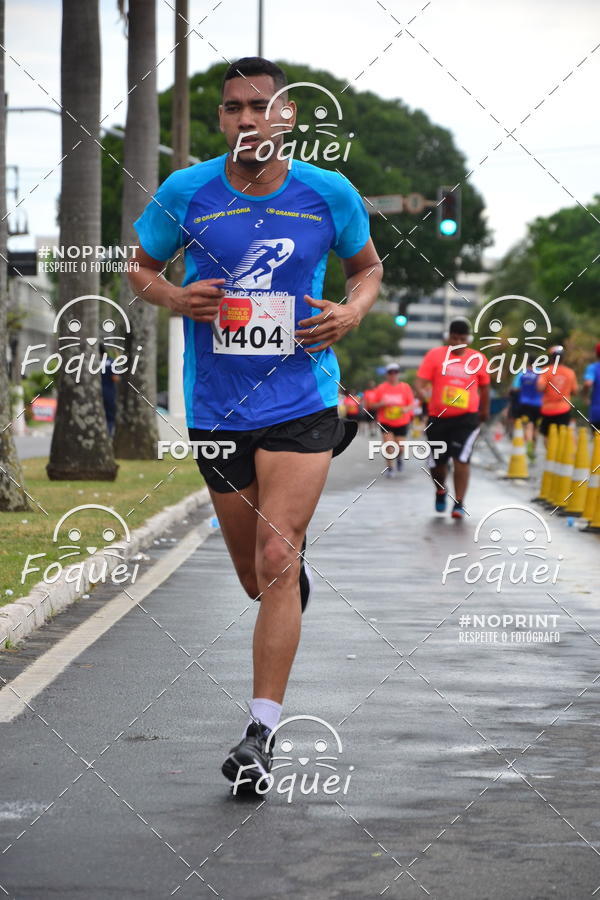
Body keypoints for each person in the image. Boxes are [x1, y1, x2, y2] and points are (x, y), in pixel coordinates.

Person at [129, 57, 383, 790]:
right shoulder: (187, 191)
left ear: (286, 116)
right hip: (217, 406)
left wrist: (351, 310)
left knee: (277, 558)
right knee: (255, 576)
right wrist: (175, 296)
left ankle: (259, 736)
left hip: (304, 398)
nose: (247, 119)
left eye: (260, 106)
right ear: (222, 121)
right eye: (234, 107)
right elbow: (139, 267)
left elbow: (366, 269)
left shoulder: (328, 193)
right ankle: (284, 586)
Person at [414, 319, 490, 519]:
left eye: (462, 339)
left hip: (467, 418)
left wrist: (484, 410)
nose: (458, 342)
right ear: (448, 337)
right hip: (438, 418)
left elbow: (485, 387)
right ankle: (440, 490)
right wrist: (425, 396)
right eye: (454, 338)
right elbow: (420, 383)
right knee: (438, 464)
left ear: (468, 339)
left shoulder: (478, 359)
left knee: (461, 458)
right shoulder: (435, 356)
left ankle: (459, 502)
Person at [371, 363, 414, 476]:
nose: (393, 375)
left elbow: (411, 404)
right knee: (389, 445)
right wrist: (381, 403)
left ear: (398, 374)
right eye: (390, 372)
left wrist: (406, 409)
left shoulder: (405, 387)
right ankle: (390, 467)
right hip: (386, 421)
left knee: (400, 447)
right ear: (387, 374)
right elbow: (372, 405)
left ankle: (399, 458)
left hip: (402, 421)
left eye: (395, 372)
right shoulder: (381, 388)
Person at [537, 346, 578, 443]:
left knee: (547, 435)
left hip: (547, 409)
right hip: (564, 408)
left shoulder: (545, 371)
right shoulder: (570, 372)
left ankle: (550, 455)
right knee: (563, 435)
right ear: (563, 358)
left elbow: (539, 387)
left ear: (551, 358)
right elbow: (575, 391)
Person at [512, 363, 542, 458]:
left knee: (528, 426)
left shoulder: (522, 373)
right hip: (539, 404)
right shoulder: (541, 373)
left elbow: (515, 388)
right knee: (536, 427)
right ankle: (533, 447)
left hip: (525, 403)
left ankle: (528, 445)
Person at [100, 343, 118, 437]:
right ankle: (109, 434)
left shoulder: (93, 362)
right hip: (109, 392)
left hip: (97, 393)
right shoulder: (111, 362)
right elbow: (115, 378)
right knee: (110, 416)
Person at [583, 343, 600, 433]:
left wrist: (585, 396)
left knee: (597, 441)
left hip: (597, 411)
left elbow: (588, 383)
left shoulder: (593, 368)